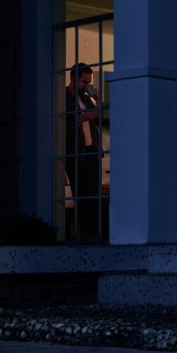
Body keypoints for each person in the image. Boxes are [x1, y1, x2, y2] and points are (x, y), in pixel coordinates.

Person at [65, 63, 103, 240]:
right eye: (84, 82)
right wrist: (84, 118)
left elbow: (100, 116)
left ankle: (93, 233)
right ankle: (83, 234)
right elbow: (63, 123)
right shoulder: (64, 97)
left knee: (94, 195)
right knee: (81, 194)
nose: (86, 85)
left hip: (91, 151)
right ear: (73, 78)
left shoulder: (86, 98)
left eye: (89, 82)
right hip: (76, 152)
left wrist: (97, 97)